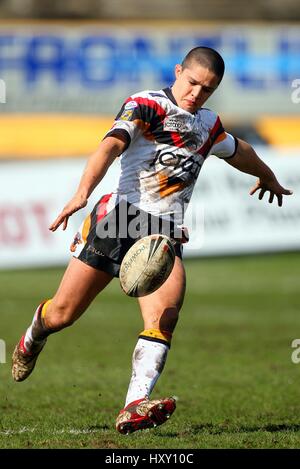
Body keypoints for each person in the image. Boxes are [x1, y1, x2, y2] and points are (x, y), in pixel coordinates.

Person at [12, 46, 292, 434]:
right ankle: (34, 335)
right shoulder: (145, 105)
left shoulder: (208, 124)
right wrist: (82, 193)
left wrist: (267, 175)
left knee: (166, 316)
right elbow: (110, 145)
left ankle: (134, 404)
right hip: (119, 218)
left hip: (163, 233)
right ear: (178, 72)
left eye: (207, 89)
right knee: (63, 314)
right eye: (192, 82)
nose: (197, 93)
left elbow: (236, 150)